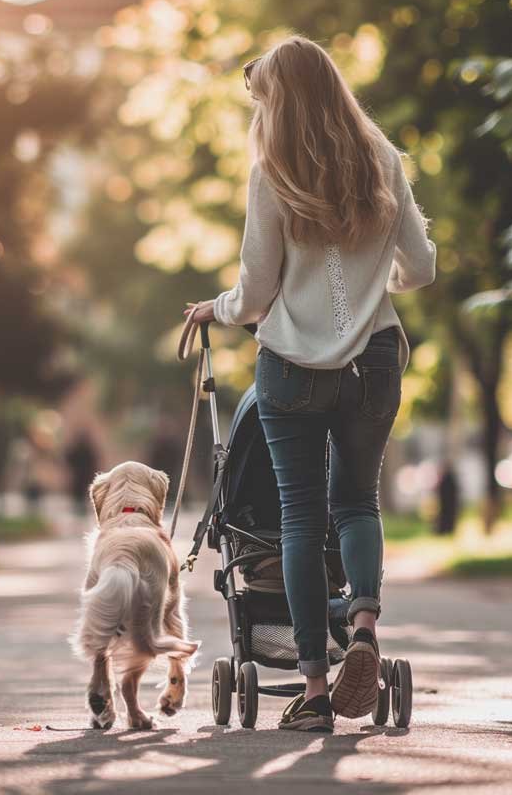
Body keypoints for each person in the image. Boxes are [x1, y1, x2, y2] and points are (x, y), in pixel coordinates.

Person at [184, 36, 436, 732]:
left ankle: (317, 689)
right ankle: (362, 625)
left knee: (300, 519)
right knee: (357, 502)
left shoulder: (273, 169)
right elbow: (419, 269)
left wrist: (218, 309)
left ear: (277, 103)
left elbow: (256, 290)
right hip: (374, 360)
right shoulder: (381, 159)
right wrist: (358, 286)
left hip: (292, 369)